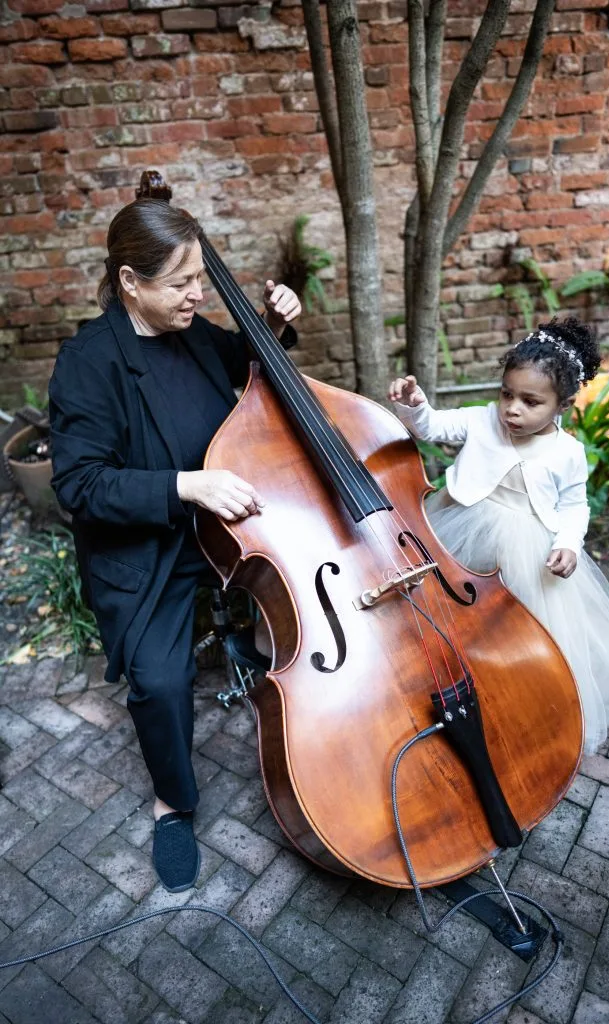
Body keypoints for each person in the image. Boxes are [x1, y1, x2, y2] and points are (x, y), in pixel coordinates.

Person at [49, 176, 301, 893]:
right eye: (182, 283)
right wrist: (182, 486)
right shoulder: (88, 364)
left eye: (201, 278)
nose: (199, 294)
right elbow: (81, 486)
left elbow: (251, 372)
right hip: (147, 546)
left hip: (224, 524)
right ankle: (172, 805)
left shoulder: (191, 334)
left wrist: (270, 327)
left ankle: (270, 665)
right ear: (129, 282)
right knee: (159, 681)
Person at [388, 317, 609, 755]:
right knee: (451, 610)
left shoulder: (567, 453)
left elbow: (573, 506)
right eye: (507, 394)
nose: (512, 409)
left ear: (562, 405)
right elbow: (433, 427)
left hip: (527, 550)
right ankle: (449, 677)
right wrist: (416, 406)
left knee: (519, 626)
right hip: (464, 529)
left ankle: (517, 691)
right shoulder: (481, 420)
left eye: (531, 402)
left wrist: (568, 543)